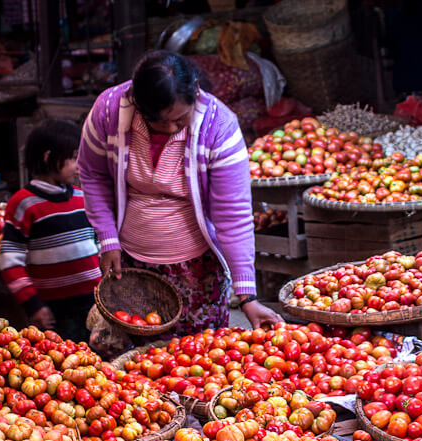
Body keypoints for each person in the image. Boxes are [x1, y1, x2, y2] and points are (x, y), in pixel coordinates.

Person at [77, 50, 281, 349]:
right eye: (160, 122)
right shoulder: (110, 110)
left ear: (195, 91)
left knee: (197, 358)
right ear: (138, 106)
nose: (173, 129)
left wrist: (247, 294)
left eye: (181, 118)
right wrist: (108, 239)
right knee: (136, 369)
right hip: (131, 267)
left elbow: (233, 216)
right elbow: (92, 174)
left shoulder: (219, 125)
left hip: (198, 274)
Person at [0, 119, 102, 341]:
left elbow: (98, 242)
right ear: (48, 157)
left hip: (94, 302)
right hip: (53, 309)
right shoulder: (23, 204)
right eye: (74, 158)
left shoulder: (82, 197)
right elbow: (9, 260)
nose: (79, 165)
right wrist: (33, 305)